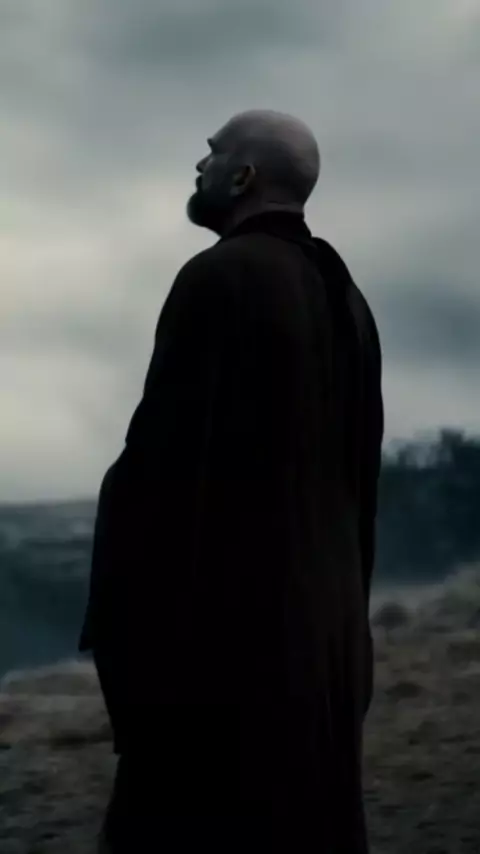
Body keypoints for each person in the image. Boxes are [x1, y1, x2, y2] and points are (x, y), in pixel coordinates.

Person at [79, 109, 384, 853]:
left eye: (212, 154)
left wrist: (128, 629)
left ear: (244, 176)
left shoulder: (219, 277)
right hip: (326, 649)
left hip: (225, 654)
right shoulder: (348, 299)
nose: (200, 166)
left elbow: (160, 470)